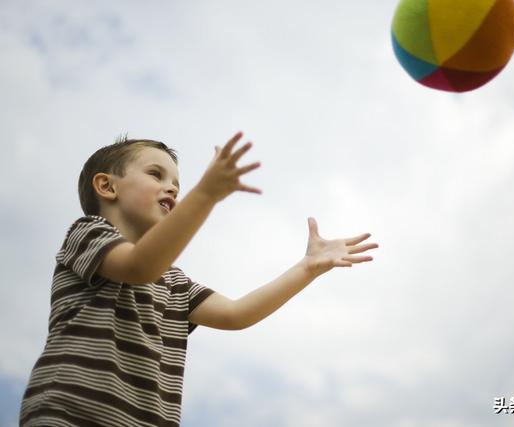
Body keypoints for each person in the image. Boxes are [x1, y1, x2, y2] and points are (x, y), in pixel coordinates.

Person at [19, 131, 378, 426]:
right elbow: (137, 267)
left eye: (178, 183)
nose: (173, 188)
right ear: (107, 186)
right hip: (69, 413)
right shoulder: (87, 233)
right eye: (156, 175)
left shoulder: (173, 282)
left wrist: (307, 268)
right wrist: (206, 194)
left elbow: (237, 314)